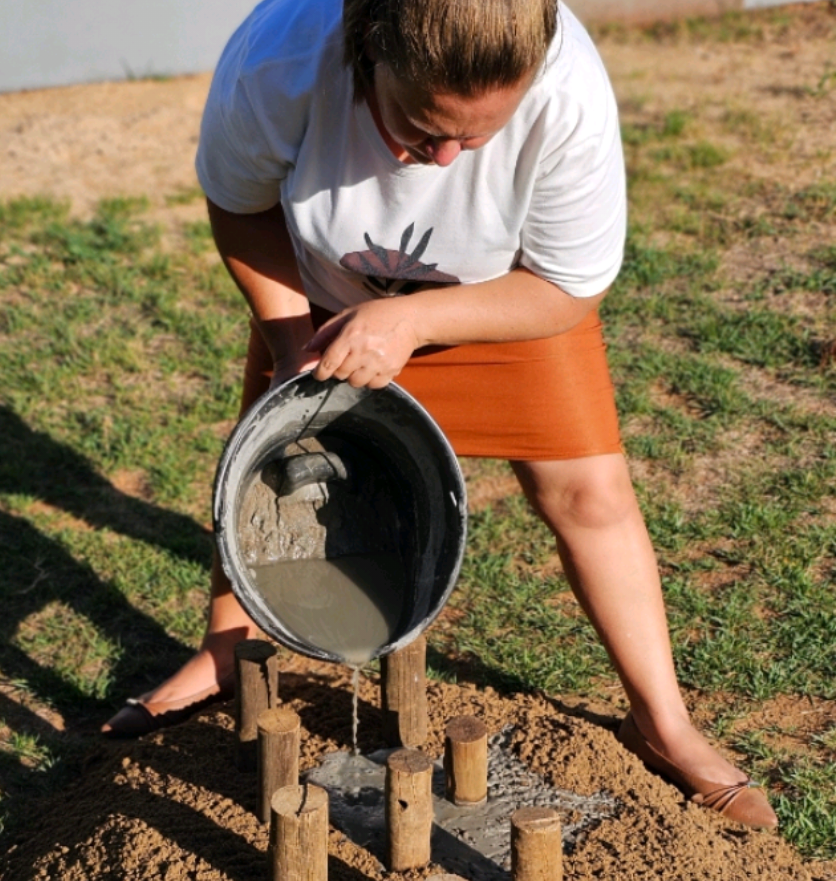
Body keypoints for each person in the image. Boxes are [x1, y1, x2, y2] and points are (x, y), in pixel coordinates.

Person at [102, 0, 777, 830]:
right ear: (365, 51)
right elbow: (238, 202)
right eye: (422, 130)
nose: (450, 157)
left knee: (588, 498)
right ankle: (226, 654)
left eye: (479, 138)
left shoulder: (569, 93)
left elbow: (568, 285)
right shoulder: (281, 59)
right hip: (324, 307)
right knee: (270, 480)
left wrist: (417, 321)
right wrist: (289, 350)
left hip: (505, 300)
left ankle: (662, 724)